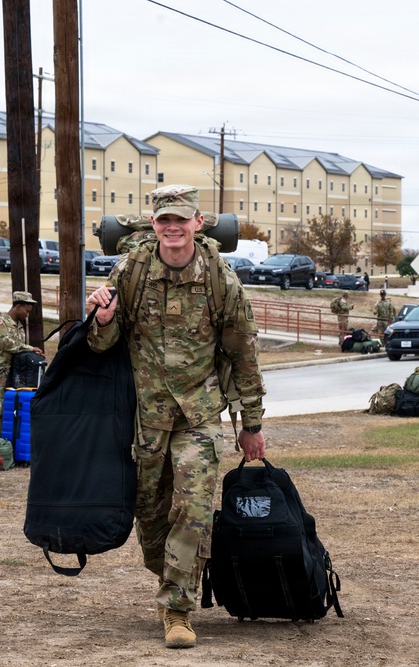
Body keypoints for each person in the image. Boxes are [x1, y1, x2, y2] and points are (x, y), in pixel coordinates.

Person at [85, 184, 266, 650]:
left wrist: (251, 425)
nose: (172, 228)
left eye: (180, 220)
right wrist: (102, 321)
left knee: (192, 507)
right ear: (154, 223)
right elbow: (103, 347)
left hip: (199, 415)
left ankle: (178, 609)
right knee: (150, 515)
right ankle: (172, 575)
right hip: (145, 418)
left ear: (197, 223)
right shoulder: (131, 271)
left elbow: (243, 354)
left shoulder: (221, 279)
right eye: (164, 220)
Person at [0, 291, 43, 437]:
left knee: (16, 408)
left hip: (17, 374)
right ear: (18, 307)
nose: (27, 315)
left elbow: (19, 350)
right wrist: (30, 348)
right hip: (1, 373)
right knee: (1, 411)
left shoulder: (19, 326)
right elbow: (5, 343)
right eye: (26, 311)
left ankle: (10, 443)